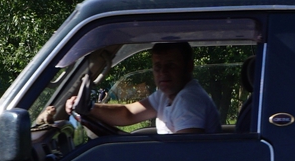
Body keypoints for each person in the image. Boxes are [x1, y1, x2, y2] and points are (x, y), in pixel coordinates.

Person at [56, 41, 220, 135]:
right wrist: (90, 108)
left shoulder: (188, 99)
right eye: (157, 66)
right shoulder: (166, 94)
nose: (163, 72)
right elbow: (128, 114)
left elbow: (185, 154)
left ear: (188, 67)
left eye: (170, 66)